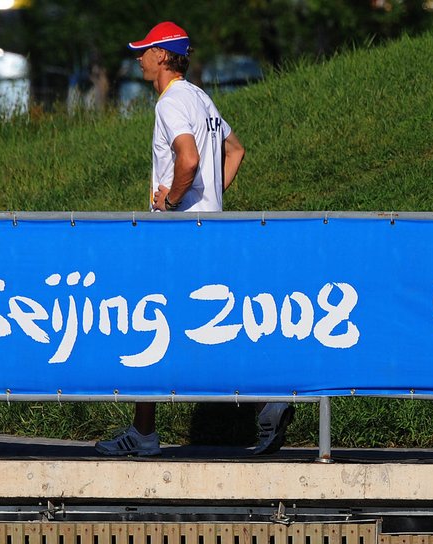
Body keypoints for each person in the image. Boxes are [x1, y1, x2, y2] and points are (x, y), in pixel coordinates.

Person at [96, 22, 292, 457]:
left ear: (163, 56)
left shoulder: (170, 103)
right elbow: (235, 150)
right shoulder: (200, 96)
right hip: (207, 232)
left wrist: (173, 201)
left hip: (178, 239)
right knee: (193, 326)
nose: (138, 58)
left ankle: (263, 402)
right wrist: (212, 198)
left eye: (144, 51)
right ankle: (146, 428)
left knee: (152, 323)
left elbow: (188, 158)